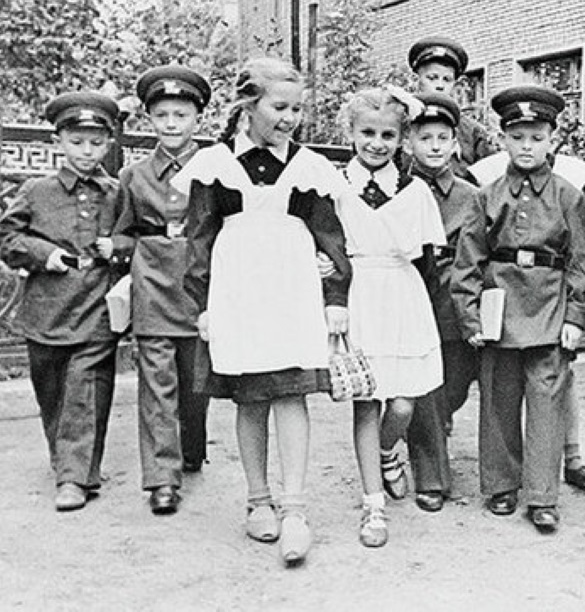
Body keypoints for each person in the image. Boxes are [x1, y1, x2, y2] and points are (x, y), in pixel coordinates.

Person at [172, 58, 351, 566]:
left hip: (292, 293)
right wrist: (201, 304)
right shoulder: (215, 164)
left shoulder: (309, 167)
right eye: (279, 107)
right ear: (248, 106)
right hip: (239, 294)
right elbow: (199, 237)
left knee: (291, 395)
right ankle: (258, 500)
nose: (290, 117)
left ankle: (294, 505)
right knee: (251, 397)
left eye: (297, 108)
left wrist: (335, 296)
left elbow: (330, 236)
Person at [452, 84, 585, 533]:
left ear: (552, 139)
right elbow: (469, 260)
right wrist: (471, 316)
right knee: (498, 396)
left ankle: (541, 495)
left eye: (536, 137)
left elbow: (581, 263)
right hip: (501, 306)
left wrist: (575, 317)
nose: (527, 147)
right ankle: (500, 486)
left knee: (547, 400)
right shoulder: (486, 194)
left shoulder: (569, 196)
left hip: (550, 307)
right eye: (518, 137)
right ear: (504, 140)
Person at [0, 92, 124, 512]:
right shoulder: (36, 191)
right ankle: (67, 460)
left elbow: (138, 235)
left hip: (96, 302)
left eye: (95, 142)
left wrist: (118, 247)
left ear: (108, 143)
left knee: (86, 390)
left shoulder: (117, 192)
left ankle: (74, 477)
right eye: (76, 141)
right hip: (46, 307)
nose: (86, 151)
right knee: (51, 391)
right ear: (59, 142)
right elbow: (7, 238)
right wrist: (42, 254)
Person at [334, 87, 446, 548]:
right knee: (367, 399)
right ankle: (373, 505)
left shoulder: (415, 190)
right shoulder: (335, 184)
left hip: (401, 294)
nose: (376, 143)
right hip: (358, 293)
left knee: (402, 403)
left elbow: (427, 258)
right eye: (367, 133)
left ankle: (386, 452)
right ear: (351, 133)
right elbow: (321, 240)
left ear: (401, 139)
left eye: (387, 135)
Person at [111, 66, 213, 516]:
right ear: (149, 120)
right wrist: (118, 248)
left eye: (181, 114)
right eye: (162, 115)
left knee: (195, 382)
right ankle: (161, 479)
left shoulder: (215, 169)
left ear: (198, 119)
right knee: (156, 384)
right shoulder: (134, 176)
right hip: (152, 283)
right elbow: (120, 231)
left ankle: (190, 449)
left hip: (199, 283)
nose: (172, 124)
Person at [402, 92, 481, 514]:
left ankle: (431, 433)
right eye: (424, 136)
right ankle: (432, 477)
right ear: (409, 141)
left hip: (456, 298)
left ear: (455, 143)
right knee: (425, 389)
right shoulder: (399, 187)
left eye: (443, 137)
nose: (434, 145)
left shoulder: (471, 195)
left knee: (454, 385)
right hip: (413, 293)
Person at [408, 37, 497, 177]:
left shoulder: (472, 131)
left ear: (456, 85)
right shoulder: (401, 122)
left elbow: (488, 178)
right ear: (415, 80)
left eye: (447, 80)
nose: (439, 85)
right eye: (432, 78)